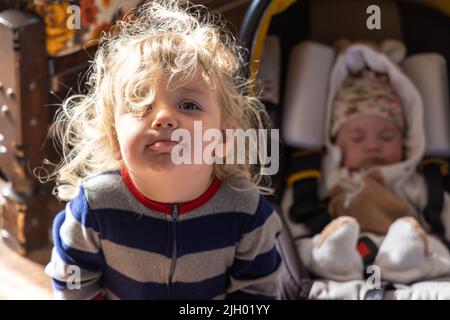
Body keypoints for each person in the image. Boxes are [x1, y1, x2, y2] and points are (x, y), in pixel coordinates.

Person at [44, 0, 282, 300]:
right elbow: (73, 284)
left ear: (223, 137)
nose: (165, 117)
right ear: (115, 138)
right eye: (142, 105)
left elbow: (257, 294)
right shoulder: (94, 206)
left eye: (188, 105)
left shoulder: (246, 211)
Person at [299, 44, 450, 284]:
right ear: (337, 142)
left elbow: (443, 214)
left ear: (406, 142)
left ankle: (402, 258)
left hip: (404, 248)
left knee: (433, 248)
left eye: (387, 137)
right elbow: (294, 215)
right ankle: (335, 257)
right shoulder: (326, 176)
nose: (373, 145)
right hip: (345, 247)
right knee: (308, 247)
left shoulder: (413, 181)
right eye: (357, 138)